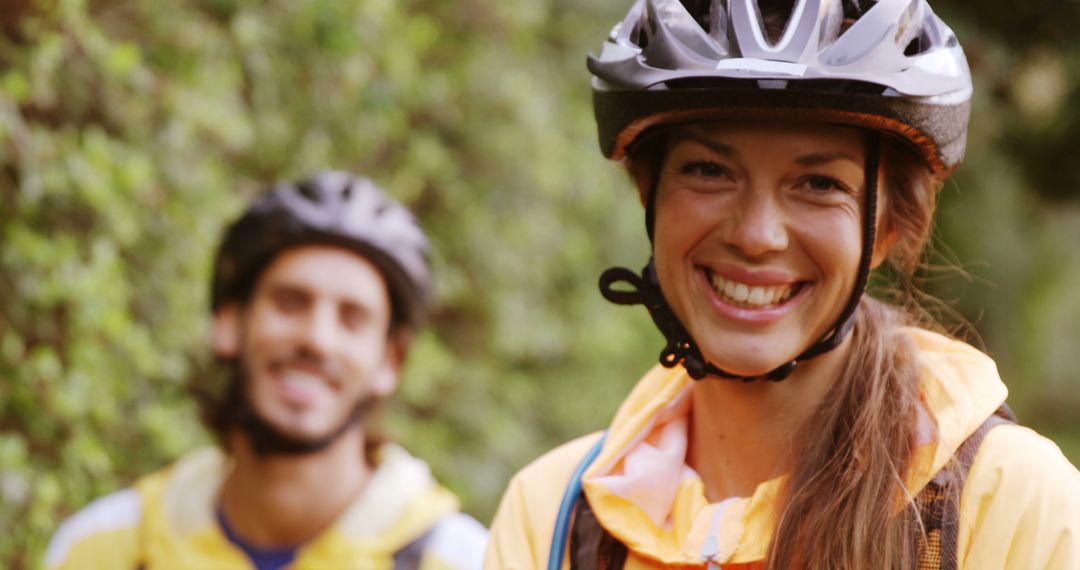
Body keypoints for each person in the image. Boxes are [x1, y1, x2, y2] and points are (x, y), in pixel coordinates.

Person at [485, 1, 1080, 569]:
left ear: (886, 228)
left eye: (819, 183)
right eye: (708, 170)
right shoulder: (555, 519)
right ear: (650, 196)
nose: (757, 235)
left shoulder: (1009, 505)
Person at [45, 171, 487, 569]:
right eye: (290, 302)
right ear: (229, 322)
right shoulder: (102, 549)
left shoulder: (467, 561)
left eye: (352, 318)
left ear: (391, 361)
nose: (317, 339)